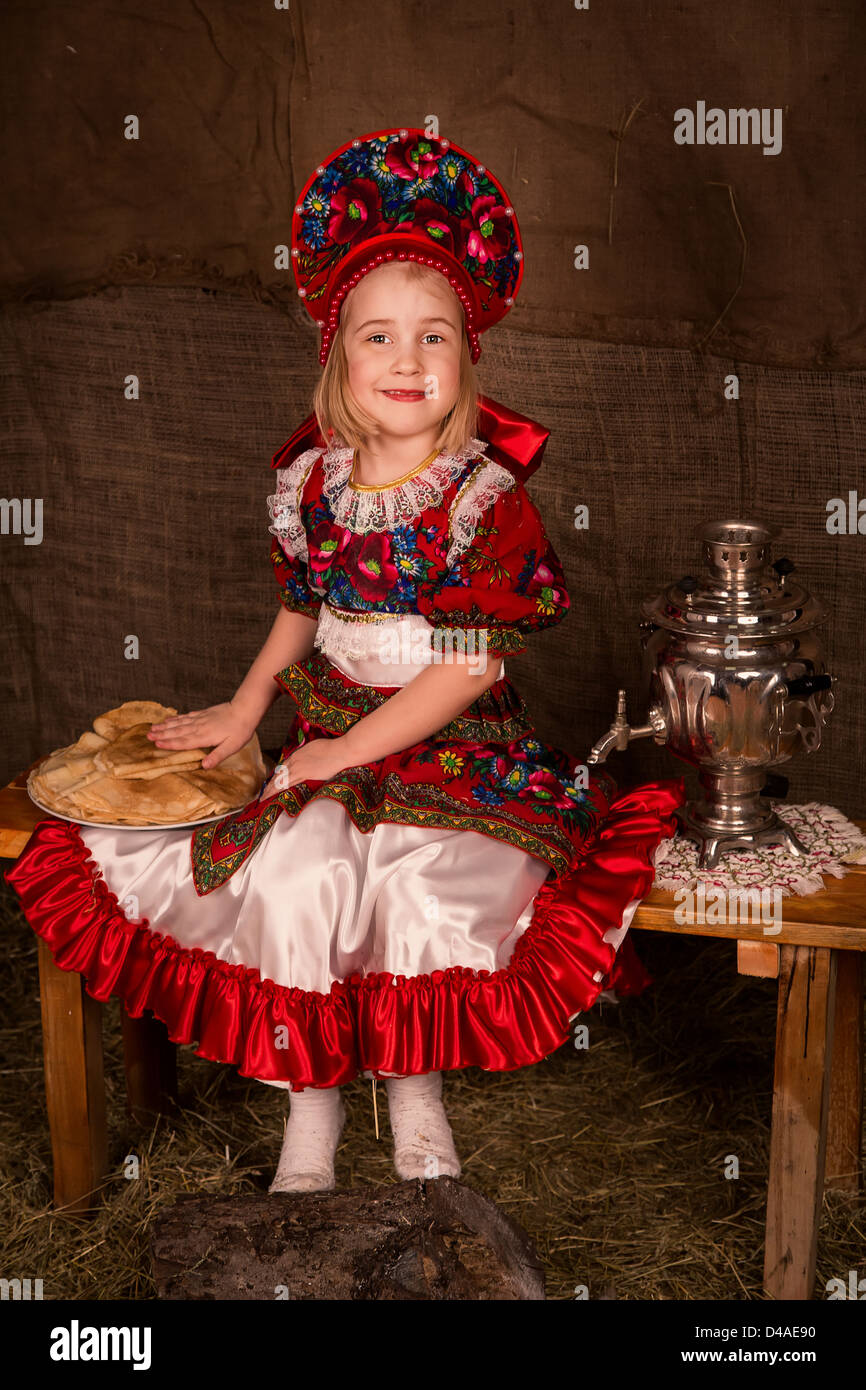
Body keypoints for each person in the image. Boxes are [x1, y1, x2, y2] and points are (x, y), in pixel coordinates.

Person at [6, 127, 685, 1195]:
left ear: (466, 359)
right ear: (338, 356)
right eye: (378, 337)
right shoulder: (314, 483)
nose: (406, 362)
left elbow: (461, 671)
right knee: (297, 872)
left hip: (452, 750)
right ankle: (308, 1115)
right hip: (331, 735)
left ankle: (416, 1100)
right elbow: (303, 607)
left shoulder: (480, 499)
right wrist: (245, 710)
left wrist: (343, 753)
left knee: (420, 884)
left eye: (433, 338)